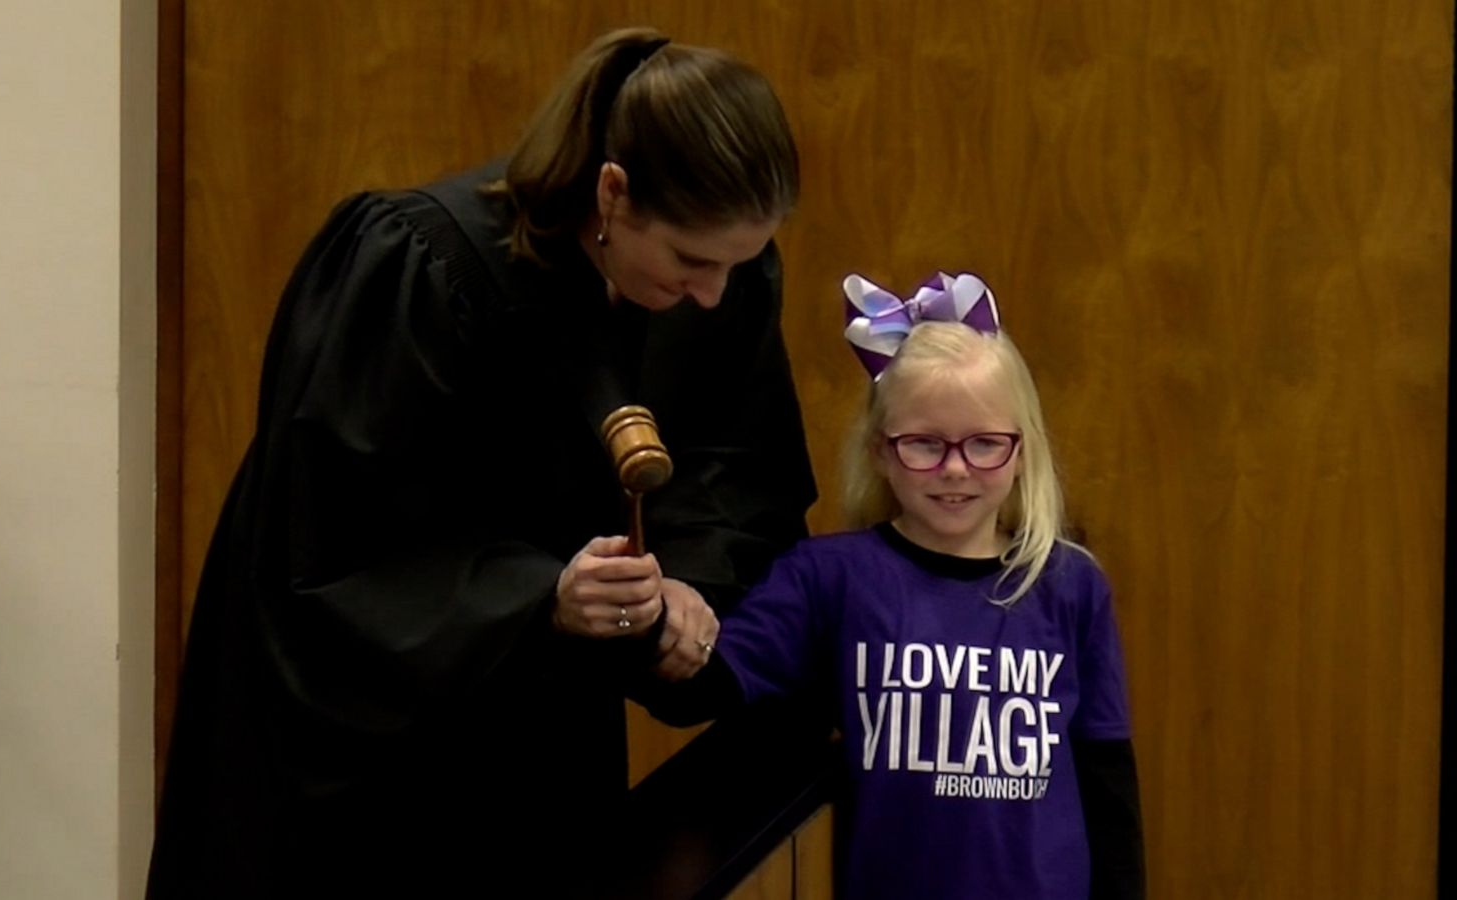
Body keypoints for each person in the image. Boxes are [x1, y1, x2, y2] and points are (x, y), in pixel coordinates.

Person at [146, 26, 817, 899]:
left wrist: (681, 595)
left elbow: (737, 478)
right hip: (372, 779)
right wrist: (539, 597)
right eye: (692, 260)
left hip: (543, 754)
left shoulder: (720, 285)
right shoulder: (420, 268)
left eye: (740, 261)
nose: (714, 293)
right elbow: (335, 547)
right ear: (611, 192)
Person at [639, 272, 1145, 899]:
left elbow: (1107, 781)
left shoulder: (1070, 587)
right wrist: (656, 619)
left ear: (1023, 452)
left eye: (986, 443)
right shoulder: (828, 579)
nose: (955, 469)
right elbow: (709, 678)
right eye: (924, 444)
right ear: (880, 449)